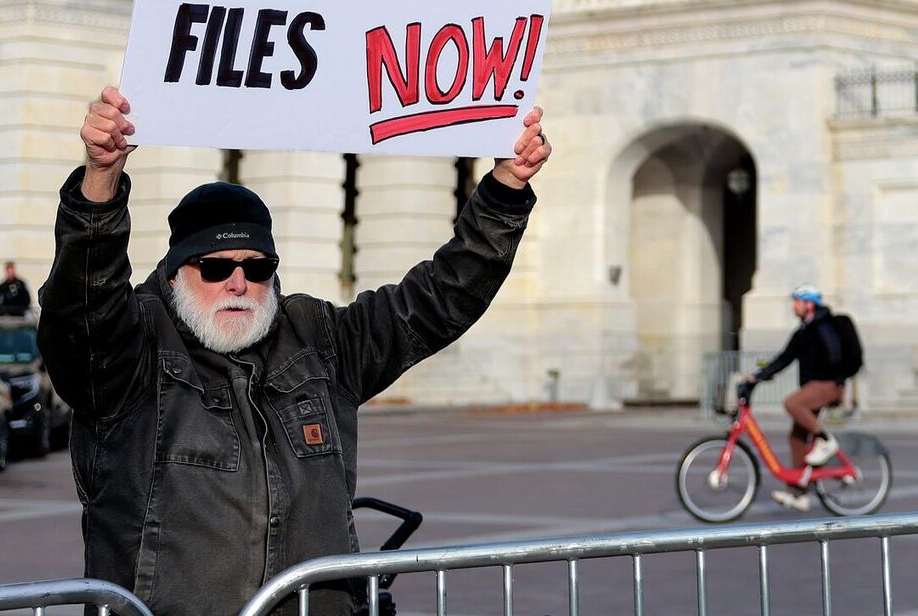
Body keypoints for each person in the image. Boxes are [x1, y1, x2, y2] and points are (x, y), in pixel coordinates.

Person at [39, 86, 551, 615]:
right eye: (215, 268)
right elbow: (84, 306)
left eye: (256, 267)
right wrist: (99, 182)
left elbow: (438, 299)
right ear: (174, 277)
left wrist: (505, 189)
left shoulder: (319, 338)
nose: (238, 283)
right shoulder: (130, 349)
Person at [739, 285, 852, 511]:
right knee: (796, 438)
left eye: (797, 301)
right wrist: (757, 377)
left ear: (809, 304)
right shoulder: (803, 331)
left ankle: (825, 440)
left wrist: (836, 378)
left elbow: (836, 354)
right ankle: (800, 494)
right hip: (814, 386)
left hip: (828, 384)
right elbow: (784, 359)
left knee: (792, 403)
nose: (793, 306)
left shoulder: (824, 325)